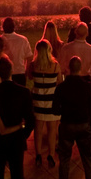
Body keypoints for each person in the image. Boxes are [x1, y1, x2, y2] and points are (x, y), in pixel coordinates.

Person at [29, 40, 61, 168]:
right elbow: (59, 81)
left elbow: (30, 78)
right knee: (52, 130)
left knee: (38, 129)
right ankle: (51, 155)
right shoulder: (54, 65)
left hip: (37, 100)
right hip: (51, 101)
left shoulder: (33, 65)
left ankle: (38, 155)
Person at [0, 19, 32, 85]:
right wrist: (26, 70)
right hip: (20, 73)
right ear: (14, 27)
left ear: (3, 27)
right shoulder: (23, 40)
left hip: (3, 75)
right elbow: (29, 57)